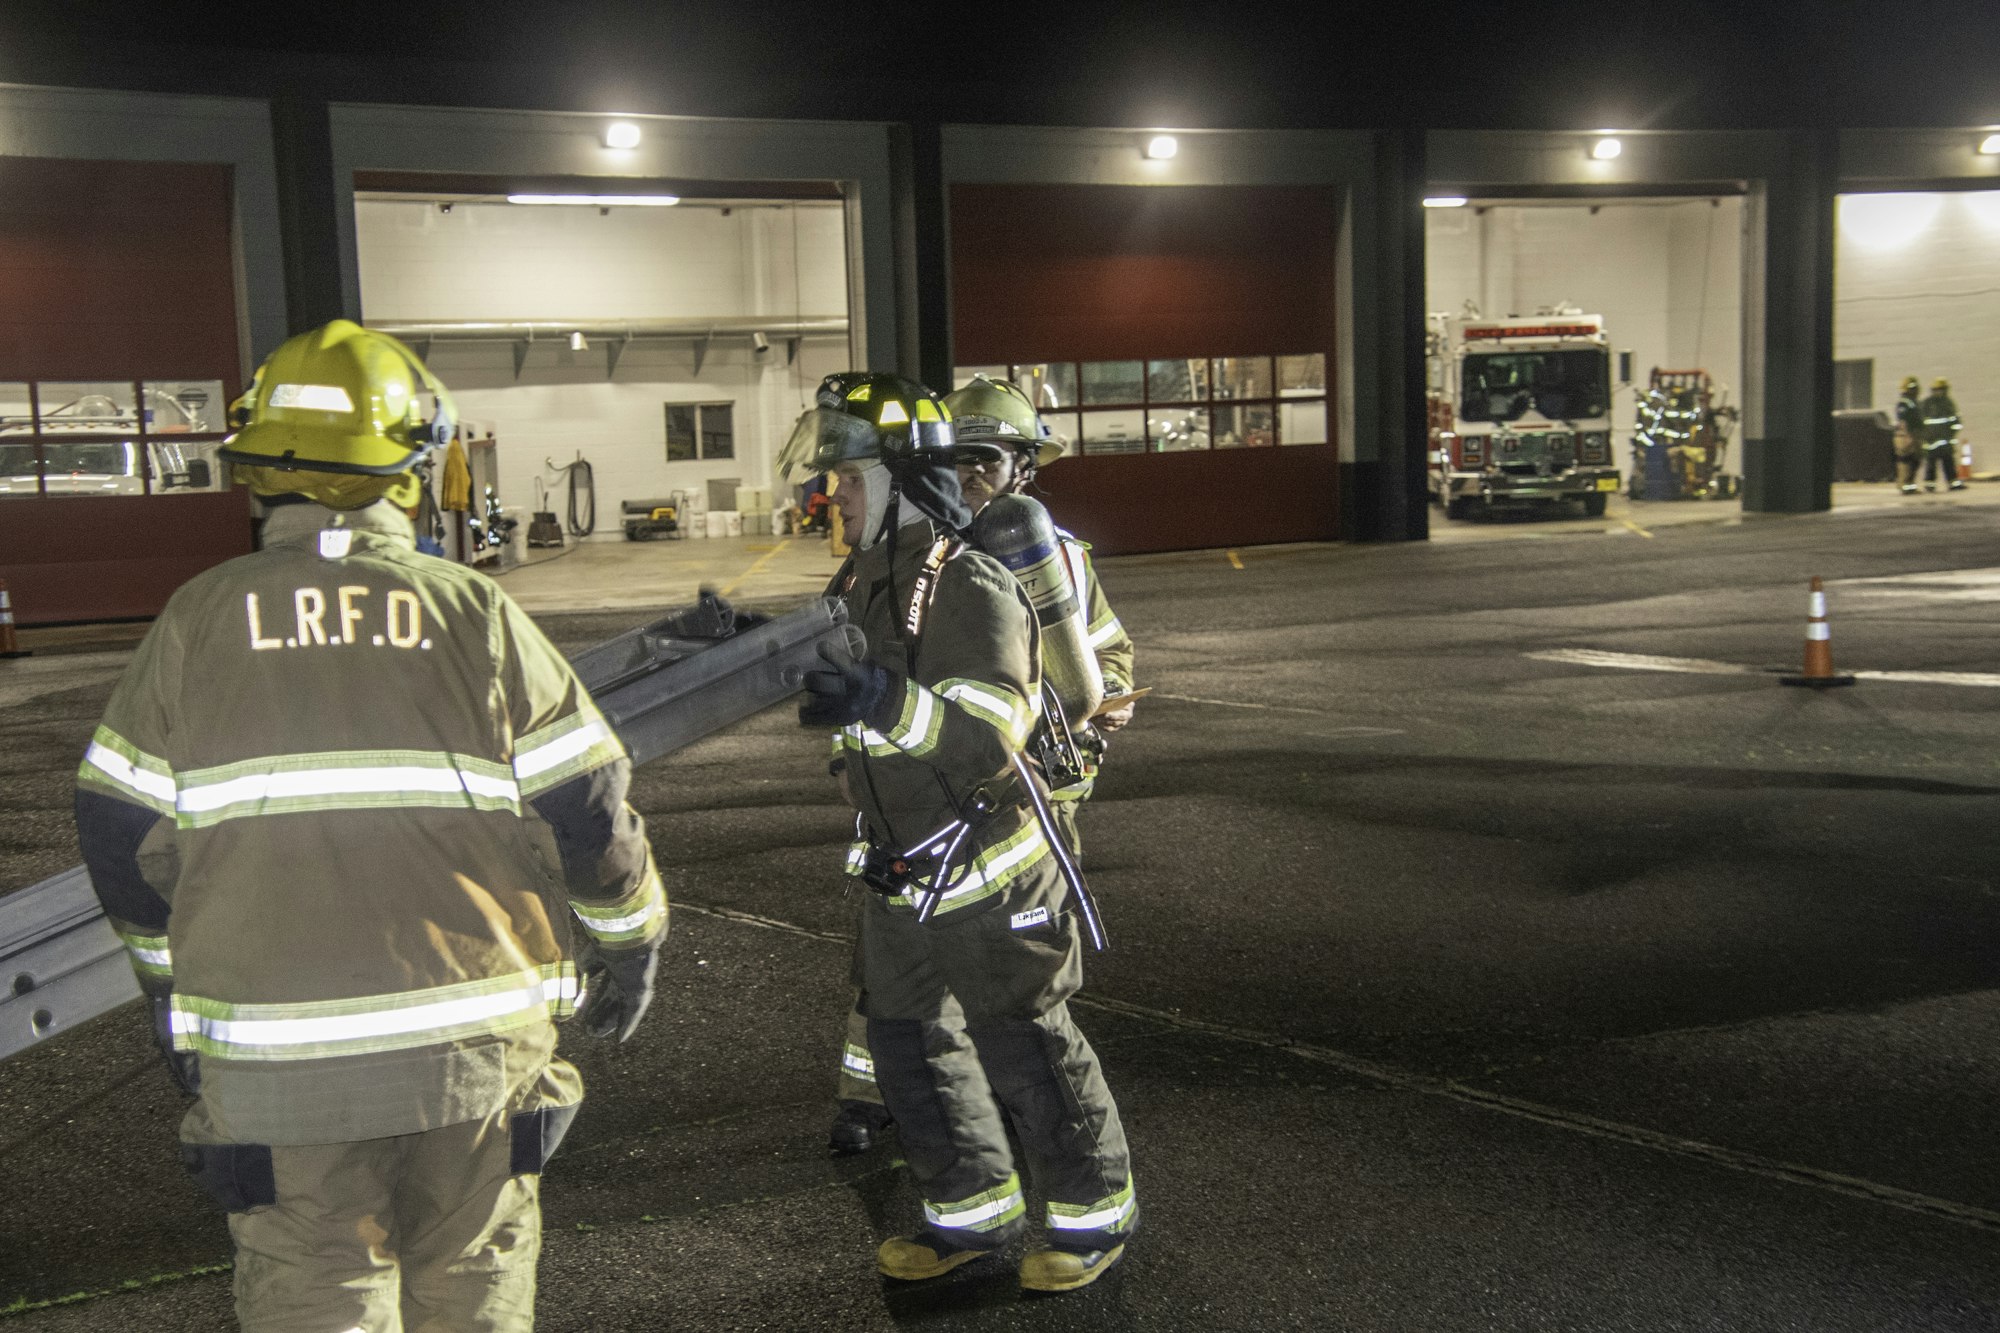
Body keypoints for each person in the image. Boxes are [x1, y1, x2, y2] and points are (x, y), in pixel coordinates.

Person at [75, 320, 667, 1333]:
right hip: (474, 1058)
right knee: (473, 1289)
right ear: (408, 463)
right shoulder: (475, 614)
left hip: (277, 1075)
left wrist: (171, 990)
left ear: (262, 471)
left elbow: (115, 829)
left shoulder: (195, 622)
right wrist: (634, 938)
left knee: (315, 1297)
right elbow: (588, 807)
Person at [779, 372, 1136, 1292]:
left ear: (896, 479)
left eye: (849, 480)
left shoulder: (967, 577)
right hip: (904, 868)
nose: (834, 496)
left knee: (1024, 1041)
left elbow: (982, 734)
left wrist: (882, 700)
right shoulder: (864, 578)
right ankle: (966, 1217)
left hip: (989, 867)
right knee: (908, 1043)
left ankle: (1093, 1221)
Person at [1920, 376, 1966, 492]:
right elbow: (1921, 422)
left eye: (1942, 389)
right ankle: (1930, 485)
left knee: (1949, 463)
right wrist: (1926, 436)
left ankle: (1953, 483)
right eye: (1938, 389)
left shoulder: (1948, 403)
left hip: (1946, 440)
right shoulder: (1927, 403)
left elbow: (1956, 421)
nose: (1941, 392)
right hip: (1932, 441)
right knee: (1931, 464)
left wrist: (1951, 434)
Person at [1894, 375, 1925, 494]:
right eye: (1912, 388)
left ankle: (1910, 485)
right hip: (1906, 435)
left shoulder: (1915, 403)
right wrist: (1908, 436)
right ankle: (1904, 485)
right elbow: (1903, 421)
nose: (1915, 390)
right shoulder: (1904, 403)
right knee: (1905, 461)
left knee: (1916, 460)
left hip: (1915, 434)